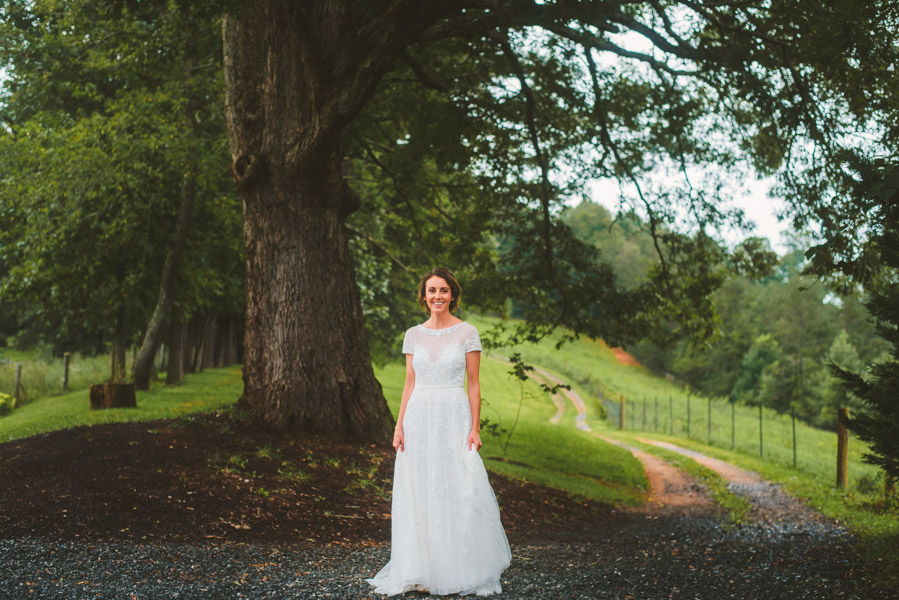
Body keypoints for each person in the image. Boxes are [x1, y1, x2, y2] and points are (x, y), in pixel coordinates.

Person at [368, 267, 512, 597]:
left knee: (460, 485)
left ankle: (459, 567)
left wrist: (475, 427)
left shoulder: (467, 333)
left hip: (453, 414)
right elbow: (409, 383)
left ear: (452, 295)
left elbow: (474, 384)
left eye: (444, 290)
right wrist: (399, 425)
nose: (437, 296)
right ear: (423, 296)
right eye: (432, 290)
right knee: (420, 487)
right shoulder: (413, 335)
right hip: (419, 417)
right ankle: (419, 567)